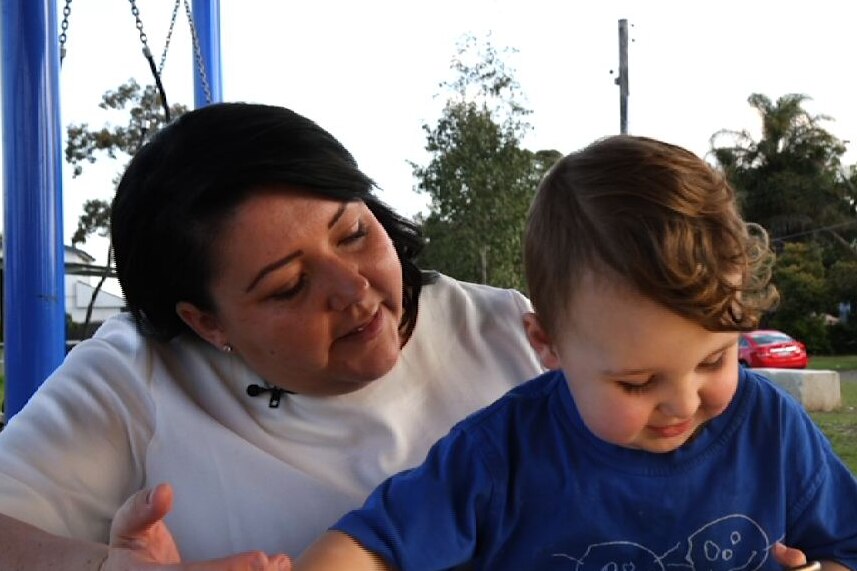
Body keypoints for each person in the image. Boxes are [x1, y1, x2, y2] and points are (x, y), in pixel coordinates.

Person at [0, 103, 544, 570]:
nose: (353, 290)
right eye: (289, 286)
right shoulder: (136, 373)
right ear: (206, 322)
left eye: (354, 233)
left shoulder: (511, 333)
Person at [293, 135, 857, 571]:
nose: (682, 402)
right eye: (636, 383)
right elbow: (369, 548)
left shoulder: (771, 431)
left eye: (714, 360)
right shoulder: (501, 455)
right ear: (546, 345)